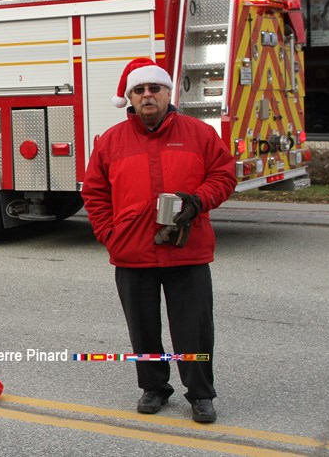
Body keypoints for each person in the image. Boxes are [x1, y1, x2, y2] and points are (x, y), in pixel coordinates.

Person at [81, 57, 236, 424]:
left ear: (168, 93)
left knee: (194, 330)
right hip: (132, 252)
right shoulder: (111, 141)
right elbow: (95, 192)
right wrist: (109, 234)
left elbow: (224, 175)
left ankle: (200, 394)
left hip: (187, 249)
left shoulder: (199, 133)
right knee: (143, 328)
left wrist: (199, 200)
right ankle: (154, 388)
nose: (147, 95)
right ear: (130, 98)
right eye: (140, 90)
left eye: (154, 88)